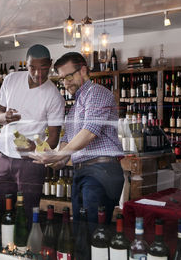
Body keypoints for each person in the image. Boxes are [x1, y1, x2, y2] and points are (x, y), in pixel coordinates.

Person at [30, 52, 124, 233]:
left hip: (101, 172)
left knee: (93, 234)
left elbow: (89, 132)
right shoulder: (74, 108)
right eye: (62, 79)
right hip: (83, 173)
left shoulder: (96, 92)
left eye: (69, 76)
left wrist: (59, 155)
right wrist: (49, 159)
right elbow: (65, 147)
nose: (65, 83)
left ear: (83, 70)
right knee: (81, 234)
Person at [0, 44, 65, 226]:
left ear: (51, 64)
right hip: (4, 155)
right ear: (27, 64)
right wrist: (5, 117)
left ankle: (25, 250)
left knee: (26, 212)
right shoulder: (11, 80)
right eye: (33, 67)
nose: (38, 74)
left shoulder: (54, 96)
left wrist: (37, 148)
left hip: (31, 162)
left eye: (43, 68)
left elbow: (54, 137)